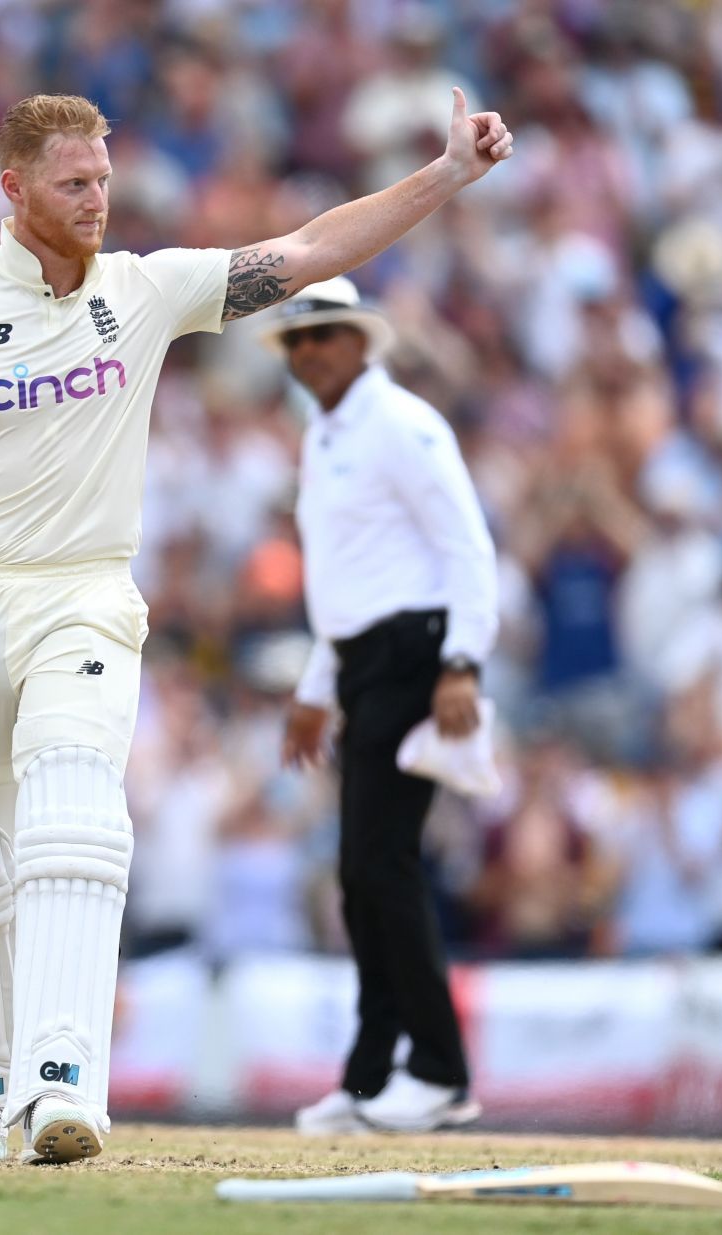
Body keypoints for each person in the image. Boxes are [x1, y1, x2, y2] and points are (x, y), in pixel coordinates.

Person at [0, 90, 512, 1162]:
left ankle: (61, 1081)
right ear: (14, 187)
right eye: (75, 183)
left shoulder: (146, 290)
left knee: (76, 809)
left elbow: (307, 251)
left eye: (105, 181)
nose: (97, 201)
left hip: (82, 594)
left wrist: (446, 174)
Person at [268, 276, 499, 1134]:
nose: (308, 354)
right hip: (367, 659)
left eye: (322, 335)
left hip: (415, 654)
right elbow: (345, 581)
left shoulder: (403, 425)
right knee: (364, 875)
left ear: (362, 341)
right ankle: (371, 1079)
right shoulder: (323, 437)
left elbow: (467, 547)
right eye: (295, 343)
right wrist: (316, 687)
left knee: (383, 866)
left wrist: (463, 662)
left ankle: (437, 1069)